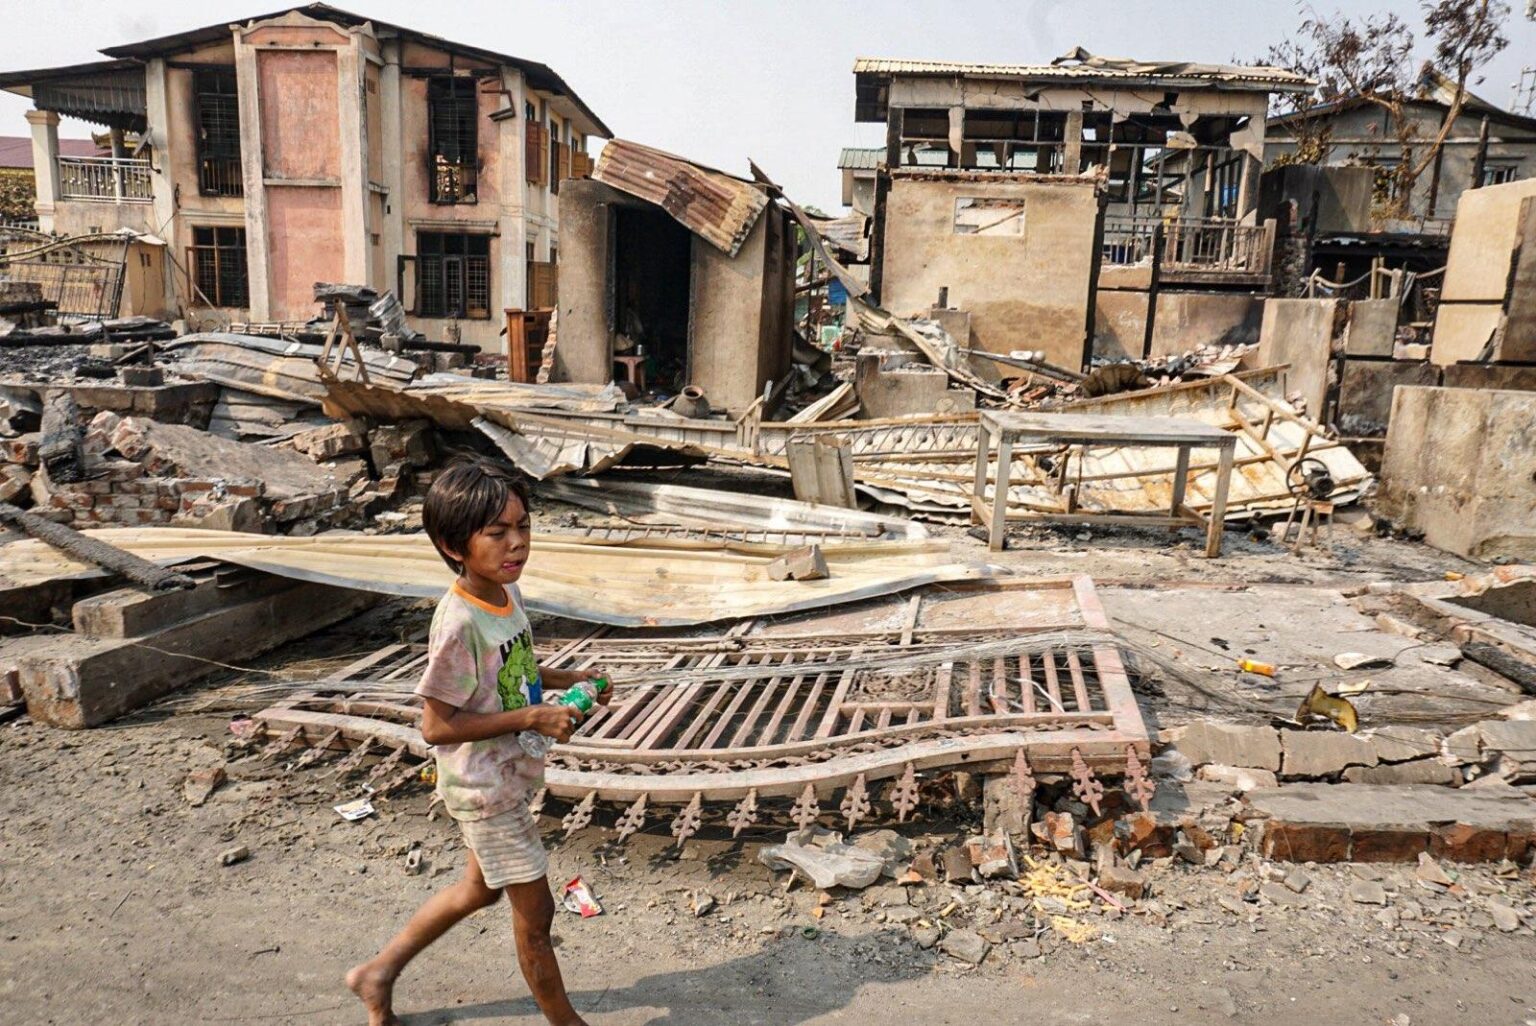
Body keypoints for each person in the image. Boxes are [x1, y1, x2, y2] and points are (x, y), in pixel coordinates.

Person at [347, 457, 606, 1026]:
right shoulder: (458, 622)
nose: (517, 543)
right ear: (453, 545)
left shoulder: (505, 592)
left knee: (479, 889)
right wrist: (532, 717)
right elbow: (435, 726)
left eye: (523, 527)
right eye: (497, 533)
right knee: (536, 918)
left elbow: (512, 667)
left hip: (504, 775)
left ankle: (377, 973)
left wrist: (571, 679)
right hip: (484, 788)